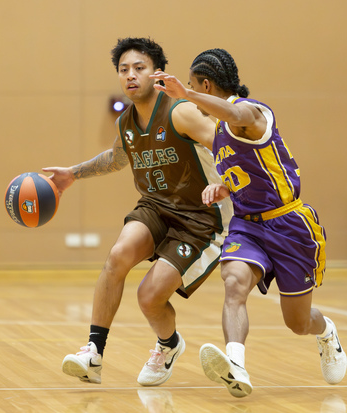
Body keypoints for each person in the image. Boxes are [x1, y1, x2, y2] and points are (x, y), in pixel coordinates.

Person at [151, 48, 347, 397]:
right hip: (248, 225)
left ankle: (326, 331)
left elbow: (232, 112)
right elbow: (249, 173)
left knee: (298, 322)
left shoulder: (251, 113)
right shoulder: (219, 133)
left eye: (194, 86)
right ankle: (236, 365)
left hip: (288, 224)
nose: (191, 94)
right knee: (234, 282)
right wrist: (225, 187)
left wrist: (184, 95)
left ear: (206, 85)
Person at [42, 38, 232, 386]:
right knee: (118, 255)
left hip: (199, 218)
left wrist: (229, 185)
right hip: (155, 207)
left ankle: (169, 345)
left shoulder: (180, 111)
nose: (130, 75)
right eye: (123, 69)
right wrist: (72, 174)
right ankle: (93, 354)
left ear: (157, 73)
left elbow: (228, 146)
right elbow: (116, 158)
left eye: (139, 68)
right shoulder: (126, 122)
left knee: (148, 297)